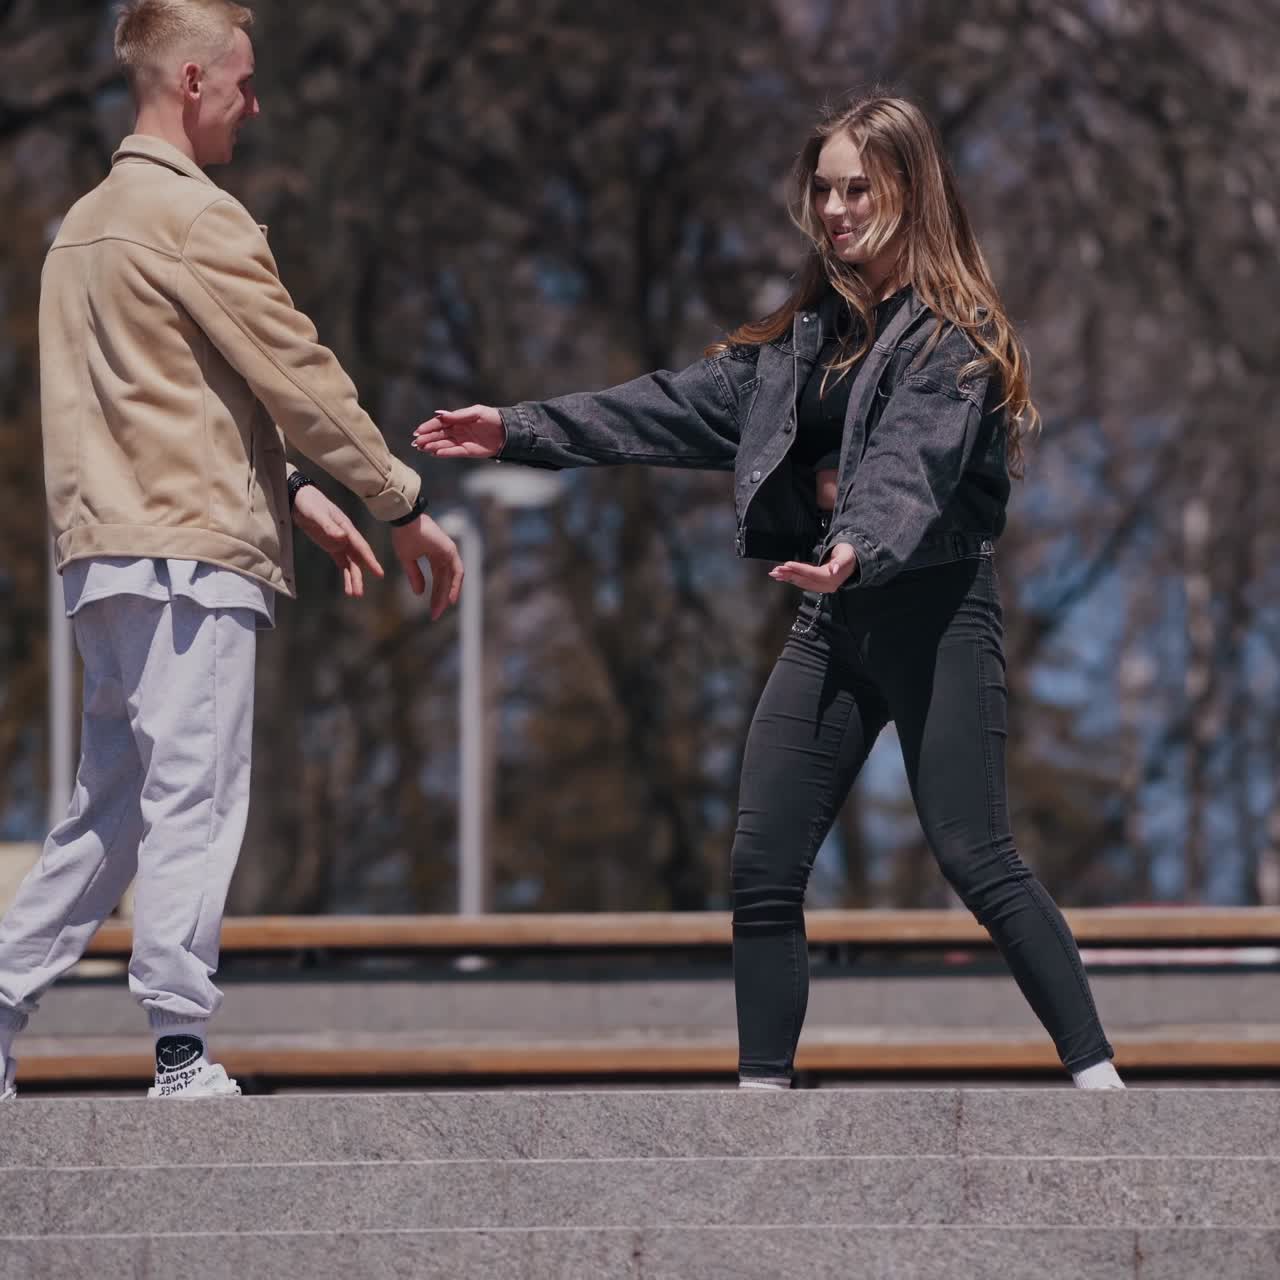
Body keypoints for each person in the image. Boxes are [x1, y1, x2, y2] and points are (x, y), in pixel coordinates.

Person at [414, 93, 1123, 1090]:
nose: (834, 210)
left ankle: (1098, 1081)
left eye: (857, 190)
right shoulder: (797, 344)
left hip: (932, 616)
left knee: (974, 852)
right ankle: (760, 1100)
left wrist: (855, 545)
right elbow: (664, 405)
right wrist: (518, 429)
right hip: (833, 617)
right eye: (823, 190)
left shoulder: (949, 341)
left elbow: (908, 465)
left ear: (909, 192)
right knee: (761, 859)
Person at [0, 0, 462, 1102]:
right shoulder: (197, 219)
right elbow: (295, 372)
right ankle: (178, 1046)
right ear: (193, 81)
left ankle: (3, 996)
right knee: (194, 800)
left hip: (102, 559)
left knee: (107, 813)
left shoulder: (79, 230)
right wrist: (400, 498)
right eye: (245, 85)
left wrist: (292, 489)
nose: (256, 107)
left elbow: (164, 397)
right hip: (190, 563)